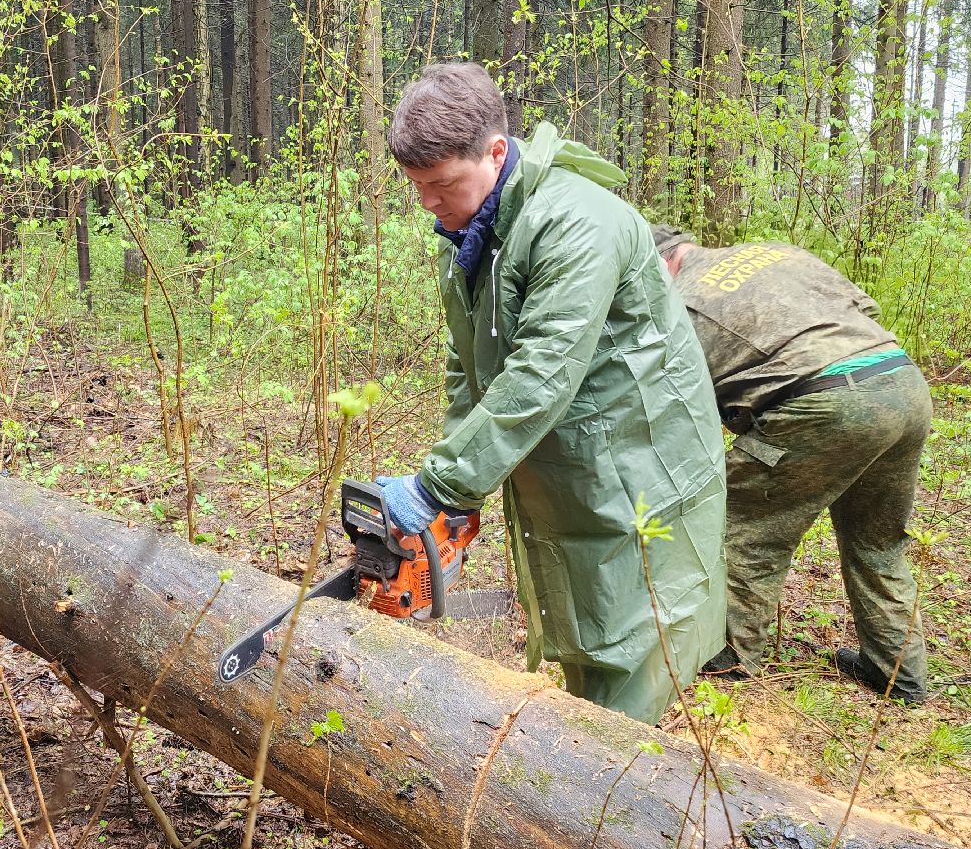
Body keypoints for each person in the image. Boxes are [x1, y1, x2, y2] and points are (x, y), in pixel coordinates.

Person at [376, 62, 727, 724]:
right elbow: (469, 368)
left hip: (638, 460)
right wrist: (454, 484)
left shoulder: (576, 222)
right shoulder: (477, 233)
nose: (428, 202)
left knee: (629, 640)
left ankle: (614, 801)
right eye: (416, 187)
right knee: (585, 620)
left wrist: (439, 487)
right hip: (579, 460)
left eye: (441, 184)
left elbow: (542, 371)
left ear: (496, 152)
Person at [652, 226, 931, 703]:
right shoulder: (773, 251)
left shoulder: (682, 299)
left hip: (820, 407)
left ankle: (728, 662)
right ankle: (900, 676)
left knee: (740, 529)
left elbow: (678, 400)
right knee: (878, 542)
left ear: (664, 261)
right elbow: (865, 311)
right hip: (901, 384)